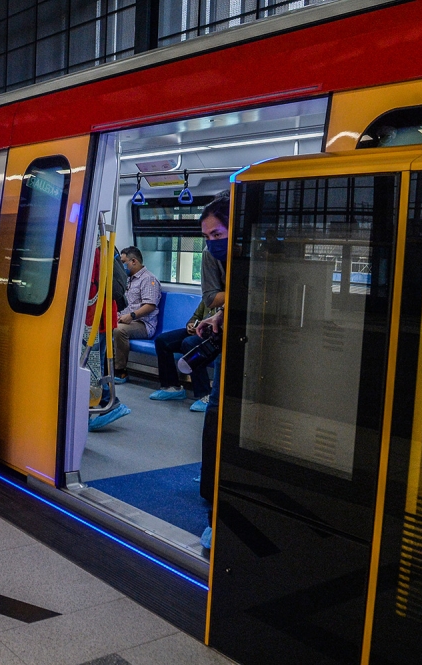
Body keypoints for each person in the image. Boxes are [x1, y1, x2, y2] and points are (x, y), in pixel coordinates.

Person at [193, 192, 230, 550]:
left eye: (217, 236)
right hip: (227, 339)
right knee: (216, 413)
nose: (212, 244)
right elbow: (210, 296)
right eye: (207, 237)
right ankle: (212, 491)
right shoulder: (211, 257)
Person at [85, 245, 130, 431]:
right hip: (103, 315)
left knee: (92, 364)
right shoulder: (105, 248)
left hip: (94, 317)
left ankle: (101, 405)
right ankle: (108, 402)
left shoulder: (91, 251)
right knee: (100, 362)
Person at [149, 300, 213, 412]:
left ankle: (205, 395)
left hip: (213, 338)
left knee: (189, 344)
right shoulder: (208, 298)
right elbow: (196, 316)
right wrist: (191, 325)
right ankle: (172, 387)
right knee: (162, 341)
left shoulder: (225, 301)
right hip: (198, 332)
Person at [111, 247, 161, 383]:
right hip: (125, 319)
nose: (121, 266)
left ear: (134, 261)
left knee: (119, 330)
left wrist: (131, 316)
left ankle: (120, 371)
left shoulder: (148, 279)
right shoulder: (126, 279)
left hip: (143, 324)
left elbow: (150, 305)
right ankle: (105, 368)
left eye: (123, 262)